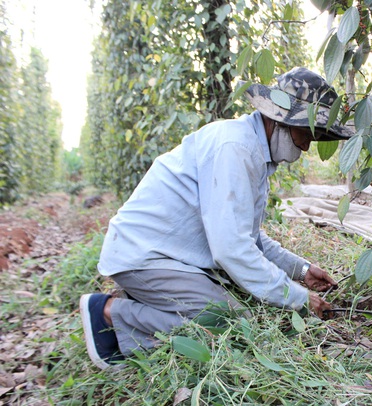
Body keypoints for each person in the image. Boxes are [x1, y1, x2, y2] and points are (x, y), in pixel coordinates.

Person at [79, 67, 354, 370]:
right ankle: (106, 313)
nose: (305, 147)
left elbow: (247, 236)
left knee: (235, 309)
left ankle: (148, 301)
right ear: (280, 119)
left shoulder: (250, 150)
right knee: (227, 322)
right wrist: (299, 298)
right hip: (145, 256)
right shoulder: (235, 148)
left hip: (167, 256)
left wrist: (300, 270)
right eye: (306, 134)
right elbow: (232, 248)